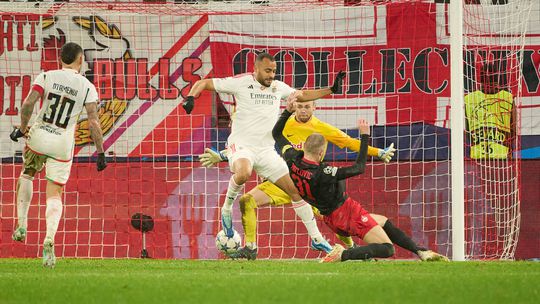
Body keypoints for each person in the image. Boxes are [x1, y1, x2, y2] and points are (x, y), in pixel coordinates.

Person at [182, 52, 346, 254]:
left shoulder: (278, 87)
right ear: (256, 69)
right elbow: (205, 83)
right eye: (268, 71)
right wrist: (190, 97)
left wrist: (330, 90)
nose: (271, 75)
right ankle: (226, 209)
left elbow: (303, 95)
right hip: (241, 146)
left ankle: (316, 239)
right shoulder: (241, 82)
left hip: (266, 151)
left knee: (296, 191)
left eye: (274, 71)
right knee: (243, 173)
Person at [200, 100, 396, 260]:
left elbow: (350, 142)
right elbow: (252, 144)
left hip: (310, 188)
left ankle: (351, 251)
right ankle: (250, 248)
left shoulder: (321, 129)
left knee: (337, 218)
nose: (303, 109)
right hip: (283, 179)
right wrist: (225, 155)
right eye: (300, 106)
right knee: (246, 200)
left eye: (307, 106)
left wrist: (378, 152)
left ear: (314, 108)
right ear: (295, 107)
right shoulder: (282, 125)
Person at [271, 96, 448, 262]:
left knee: (383, 221)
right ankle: (343, 254)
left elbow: (277, 133)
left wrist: (287, 111)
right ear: (320, 152)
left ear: (304, 146)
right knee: (387, 249)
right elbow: (359, 168)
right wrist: (364, 136)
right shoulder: (323, 172)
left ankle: (421, 251)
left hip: (331, 218)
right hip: (346, 212)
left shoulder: (292, 158)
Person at [10, 42, 107, 268]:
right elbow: (93, 121)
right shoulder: (87, 86)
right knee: (55, 192)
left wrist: (23, 129)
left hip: (40, 136)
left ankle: (22, 224)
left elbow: (28, 104)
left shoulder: (46, 76)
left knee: (27, 174)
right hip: (63, 143)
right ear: (81, 60)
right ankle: (49, 239)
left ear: (60, 58)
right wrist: (100, 151)